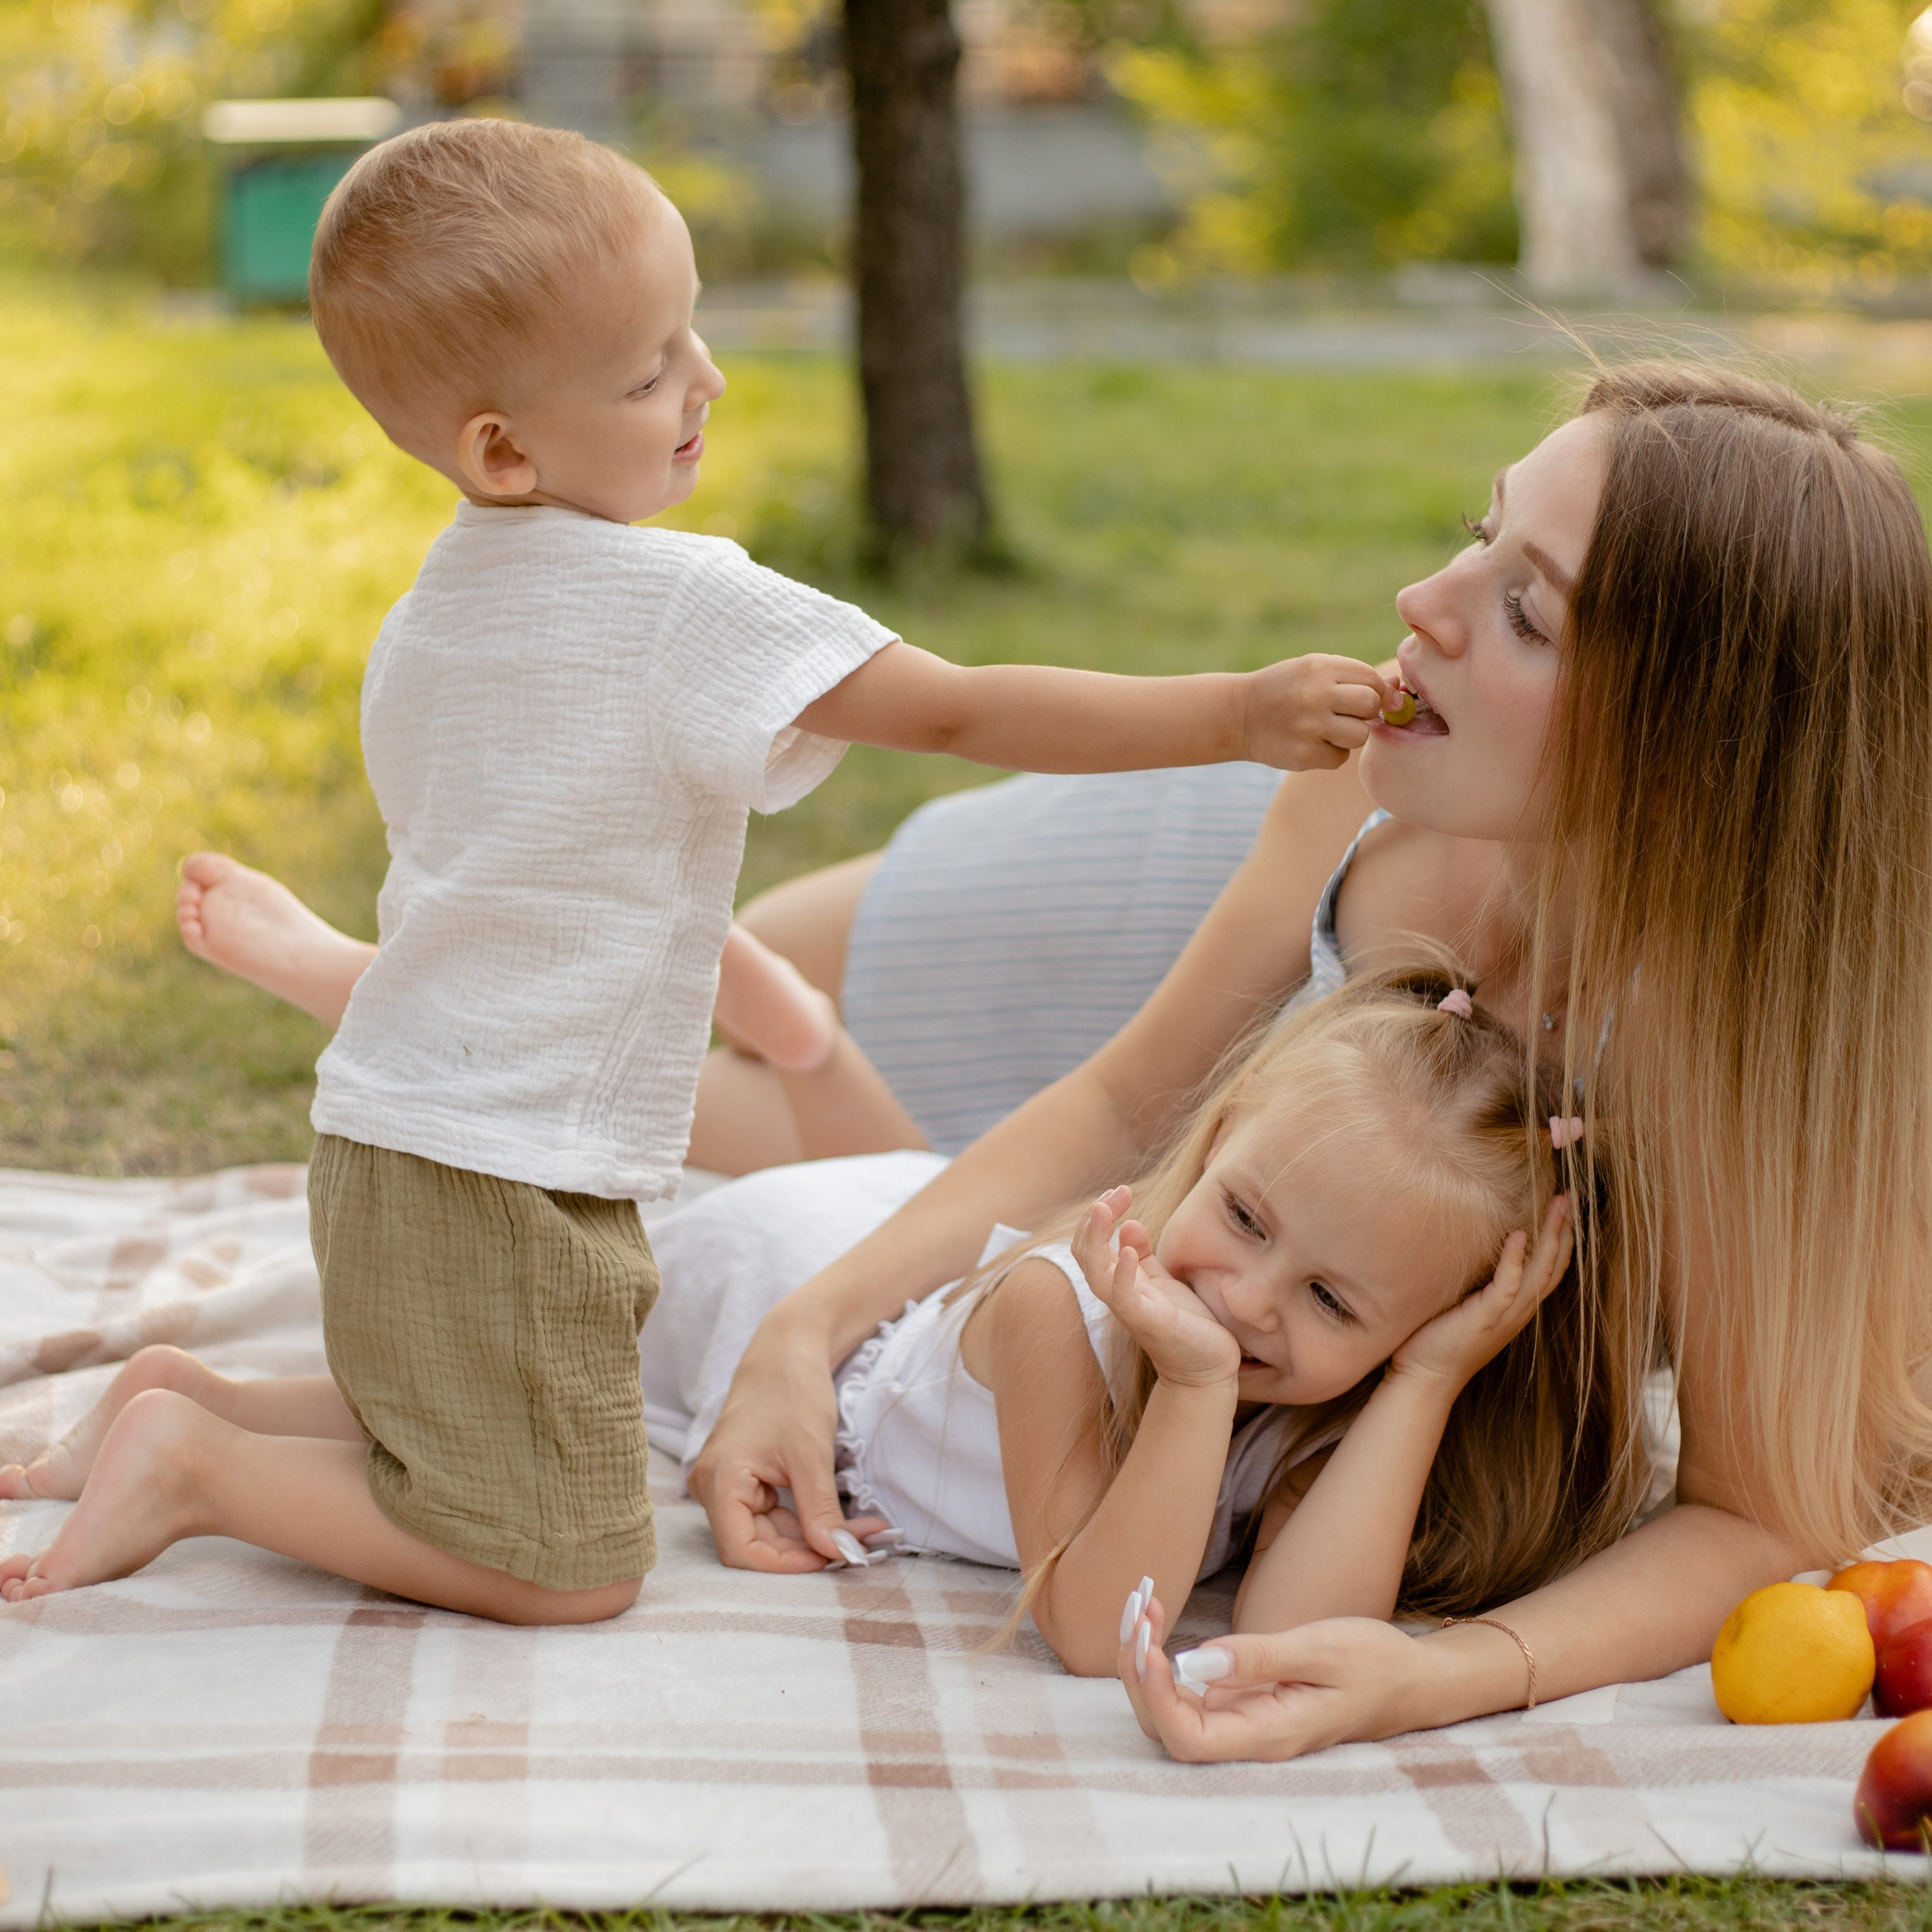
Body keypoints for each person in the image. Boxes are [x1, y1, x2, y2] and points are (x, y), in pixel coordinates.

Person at [0, 118, 1397, 1620]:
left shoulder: (438, 611)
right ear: (502, 445)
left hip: (406, 1138)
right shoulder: (677, 603)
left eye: (690, 330)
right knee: (569, 1562)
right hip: (502, 1171)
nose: (705, 379)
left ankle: (190, 1391)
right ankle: (194, 1464)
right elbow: (953, 703)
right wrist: (1230, 714)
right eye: (649, 367)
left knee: (489, 1428)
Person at [683, 364, 1932, 1755]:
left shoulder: (1741, 1044)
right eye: (1479, 531)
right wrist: (804, 1332)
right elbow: (1122, 1100)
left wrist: (1451, 1674)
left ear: (1688, 749)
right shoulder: (1366, 767)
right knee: (716, 972)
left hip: (1286, 1168)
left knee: (739, 1095)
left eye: (1525, 611)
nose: (1423, 606)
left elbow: (1761, 1506)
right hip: (1202, 890)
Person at [639, 965, 1598, 1676]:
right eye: (1244, 1217)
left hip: (918, 1267)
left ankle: (813, 1060)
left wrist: (1426, 1383)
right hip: (780, 1271)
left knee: (920, 1183)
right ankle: (814, 1061)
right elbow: (1096, 1630)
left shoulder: (1318, 1400)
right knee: (635, 1288)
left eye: (1332, 1299)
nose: (1250, 1300)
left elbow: (1295, 1635)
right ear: (1219, 1138)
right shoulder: (1053, 1307)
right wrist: (1193, 1383)